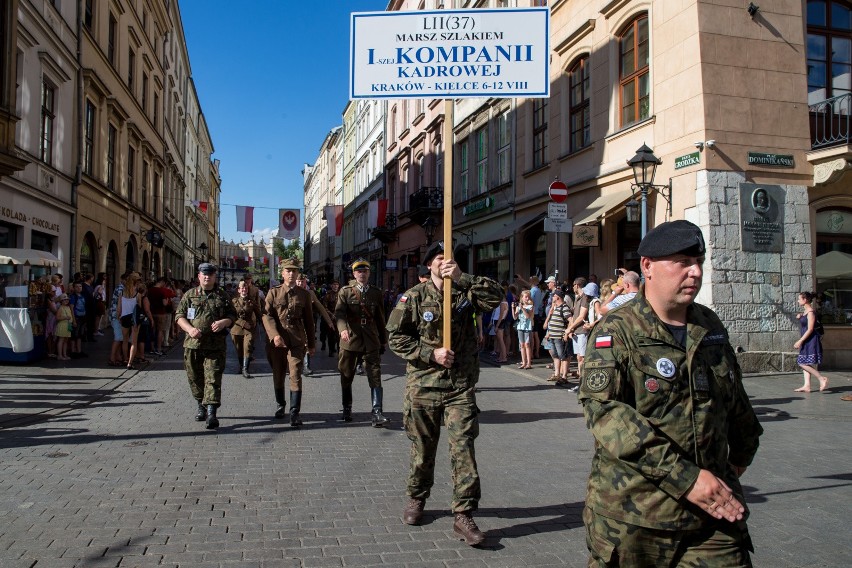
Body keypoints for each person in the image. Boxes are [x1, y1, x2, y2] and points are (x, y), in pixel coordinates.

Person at [580, 220, 763, 566]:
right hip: (637, 516)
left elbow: (734, 398)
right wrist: (688, 479)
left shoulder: (709, 326)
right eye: (682, 262)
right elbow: (606, 415)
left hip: (712, 513)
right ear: (647, 266)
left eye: (699, 262)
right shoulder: (616, 332)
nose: (694, 272)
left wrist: (743, 449)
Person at [386, 240, 502, 546]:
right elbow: (395, 338)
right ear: (429, 265)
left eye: (449, 259)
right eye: (439, 258)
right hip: (423, 386)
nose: (444, 263)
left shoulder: (466, 292)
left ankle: (463, 513)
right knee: (423, 449)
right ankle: (416, 498)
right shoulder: (413, 297)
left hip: (460, 386)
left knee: (463, 449)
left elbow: (496, 296)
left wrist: (463, 277)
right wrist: (430, 352)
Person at [175, 263, 237, 430]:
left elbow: (233, 315)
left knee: (213, 377)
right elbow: (179, 316)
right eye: (204, 274)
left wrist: (225, 322)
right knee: (195, 377)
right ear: (199, 276)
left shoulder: (222, 296)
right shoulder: (190, 295)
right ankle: (201, 405)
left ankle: (211, 413)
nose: (207, 277)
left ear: (215, 277)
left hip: (215, 346)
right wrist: (189, 329)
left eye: (210, 274)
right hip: (193, 344)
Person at [335, 258, 389, 427]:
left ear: (369, 273)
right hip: (350, 340)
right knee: (346, 375)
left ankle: (377, 412)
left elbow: (380, 317)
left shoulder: (375, 292)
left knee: (375, 376)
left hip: (371, 340)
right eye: (359, 271)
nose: (362, 274)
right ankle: (346, 408)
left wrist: (383, 340)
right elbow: (339, 314)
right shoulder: (345, 292)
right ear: (354, 274)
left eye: (365, 271)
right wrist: (342, 329)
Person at [262, 258, 315, 427]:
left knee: (296, 374)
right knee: (278, 373)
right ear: (282, 273)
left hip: (297, 340)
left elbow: (309, 321)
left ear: (298, 273)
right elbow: (266, 315)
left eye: (294, 271)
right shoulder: (273, 293)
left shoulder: (304, 294)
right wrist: (274, 335)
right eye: (288, 271)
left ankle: (294, 412)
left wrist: (312, 344)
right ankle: (280, 405)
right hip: (277, 341)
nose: (291, 274)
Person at [793, 291, 829, 393]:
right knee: (805, 361)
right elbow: (805, 324)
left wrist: (800, 341)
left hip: (811, 340)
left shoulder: (810, 312)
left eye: (799, 298)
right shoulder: (805, 312)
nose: (798, 300)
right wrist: (801, 317)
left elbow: (810, 329)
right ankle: (807, 386)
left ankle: (821, 378)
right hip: (806, 340)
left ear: (805, 300)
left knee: (801, 362)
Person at [231, 278, 263, 378]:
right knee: (239, 349)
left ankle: (245, 369)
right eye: (242, 288)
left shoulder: (252, 301)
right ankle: (241, 367)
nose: (244, 290)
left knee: (247, 347)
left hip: (250, 329)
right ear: (239, 290)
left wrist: (266, 324)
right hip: (236, 329)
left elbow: (259, 314)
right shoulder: (233, 301)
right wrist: (242, 323)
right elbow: (231, 315)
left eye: (245, 288)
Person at [564, 277, 589, 388]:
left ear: (577, 285)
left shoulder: (584, 297)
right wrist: (571, 328)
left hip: (582, 331)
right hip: (576, 331)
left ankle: (583, 383)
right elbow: (574, 316)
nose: (572, 287)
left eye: (573, 285)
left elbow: (581, 316)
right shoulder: (577, 297)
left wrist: (570, 328)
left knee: (582, 358)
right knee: (579, 357)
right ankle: (580, 382)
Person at [543, 290, 571, 382]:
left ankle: (564, 376)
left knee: (563, 356)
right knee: (555, 356)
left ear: (558, 297)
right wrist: (549, 333)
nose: (552, 298)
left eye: (553, 296)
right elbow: (551, 323)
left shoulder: (564, 307)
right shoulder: (555, 307)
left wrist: (567, 333)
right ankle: (557, 374)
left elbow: (571, 320)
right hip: (553, 335)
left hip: (559, 336)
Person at [116, 273, 142, 370]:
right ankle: (130, 363)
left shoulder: (122, 293)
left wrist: (118, 316)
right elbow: (139, 308)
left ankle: (125, 359)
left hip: (124, 317)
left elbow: (119, 308)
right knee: (134, 342)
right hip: (134, 318)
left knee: (125, 340)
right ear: (137, 282)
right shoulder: (138, 294)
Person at [512, 289, 534, 369]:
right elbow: (515, 317)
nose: (527, 298)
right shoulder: (519, 306)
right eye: (526, 297)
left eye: (528, 297)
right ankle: (523, 362)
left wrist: (523, 308)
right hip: (520, 327)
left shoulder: (530, 306)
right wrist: (513, 308)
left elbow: (528, 316)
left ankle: (529, 363)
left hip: (527, 327)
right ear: (522, 297)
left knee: (527, 344)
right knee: (522, 345)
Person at [322, 279, 341, 356]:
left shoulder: (341, 294)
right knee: (331, 335)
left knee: (339, 336)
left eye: (337, 285)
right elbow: (324, 307)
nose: (335, 286)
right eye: (334, 285)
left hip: (340, 318)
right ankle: (331, 350)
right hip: (331, 318)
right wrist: (331, 315)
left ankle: (340, 351)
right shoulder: (328, 295)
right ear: (331, 286)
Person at [54, 294, 74, 360]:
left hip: (67, 325)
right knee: (61, 340)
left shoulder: (68, 307)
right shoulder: (60, 308)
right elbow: (57, 318)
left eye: (67, 299)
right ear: (61, 301)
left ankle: (64, 354)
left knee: (66, 340)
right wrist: (65, 317)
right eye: (64, 299)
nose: (66, 301)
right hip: (62, 325)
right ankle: (60, 355)